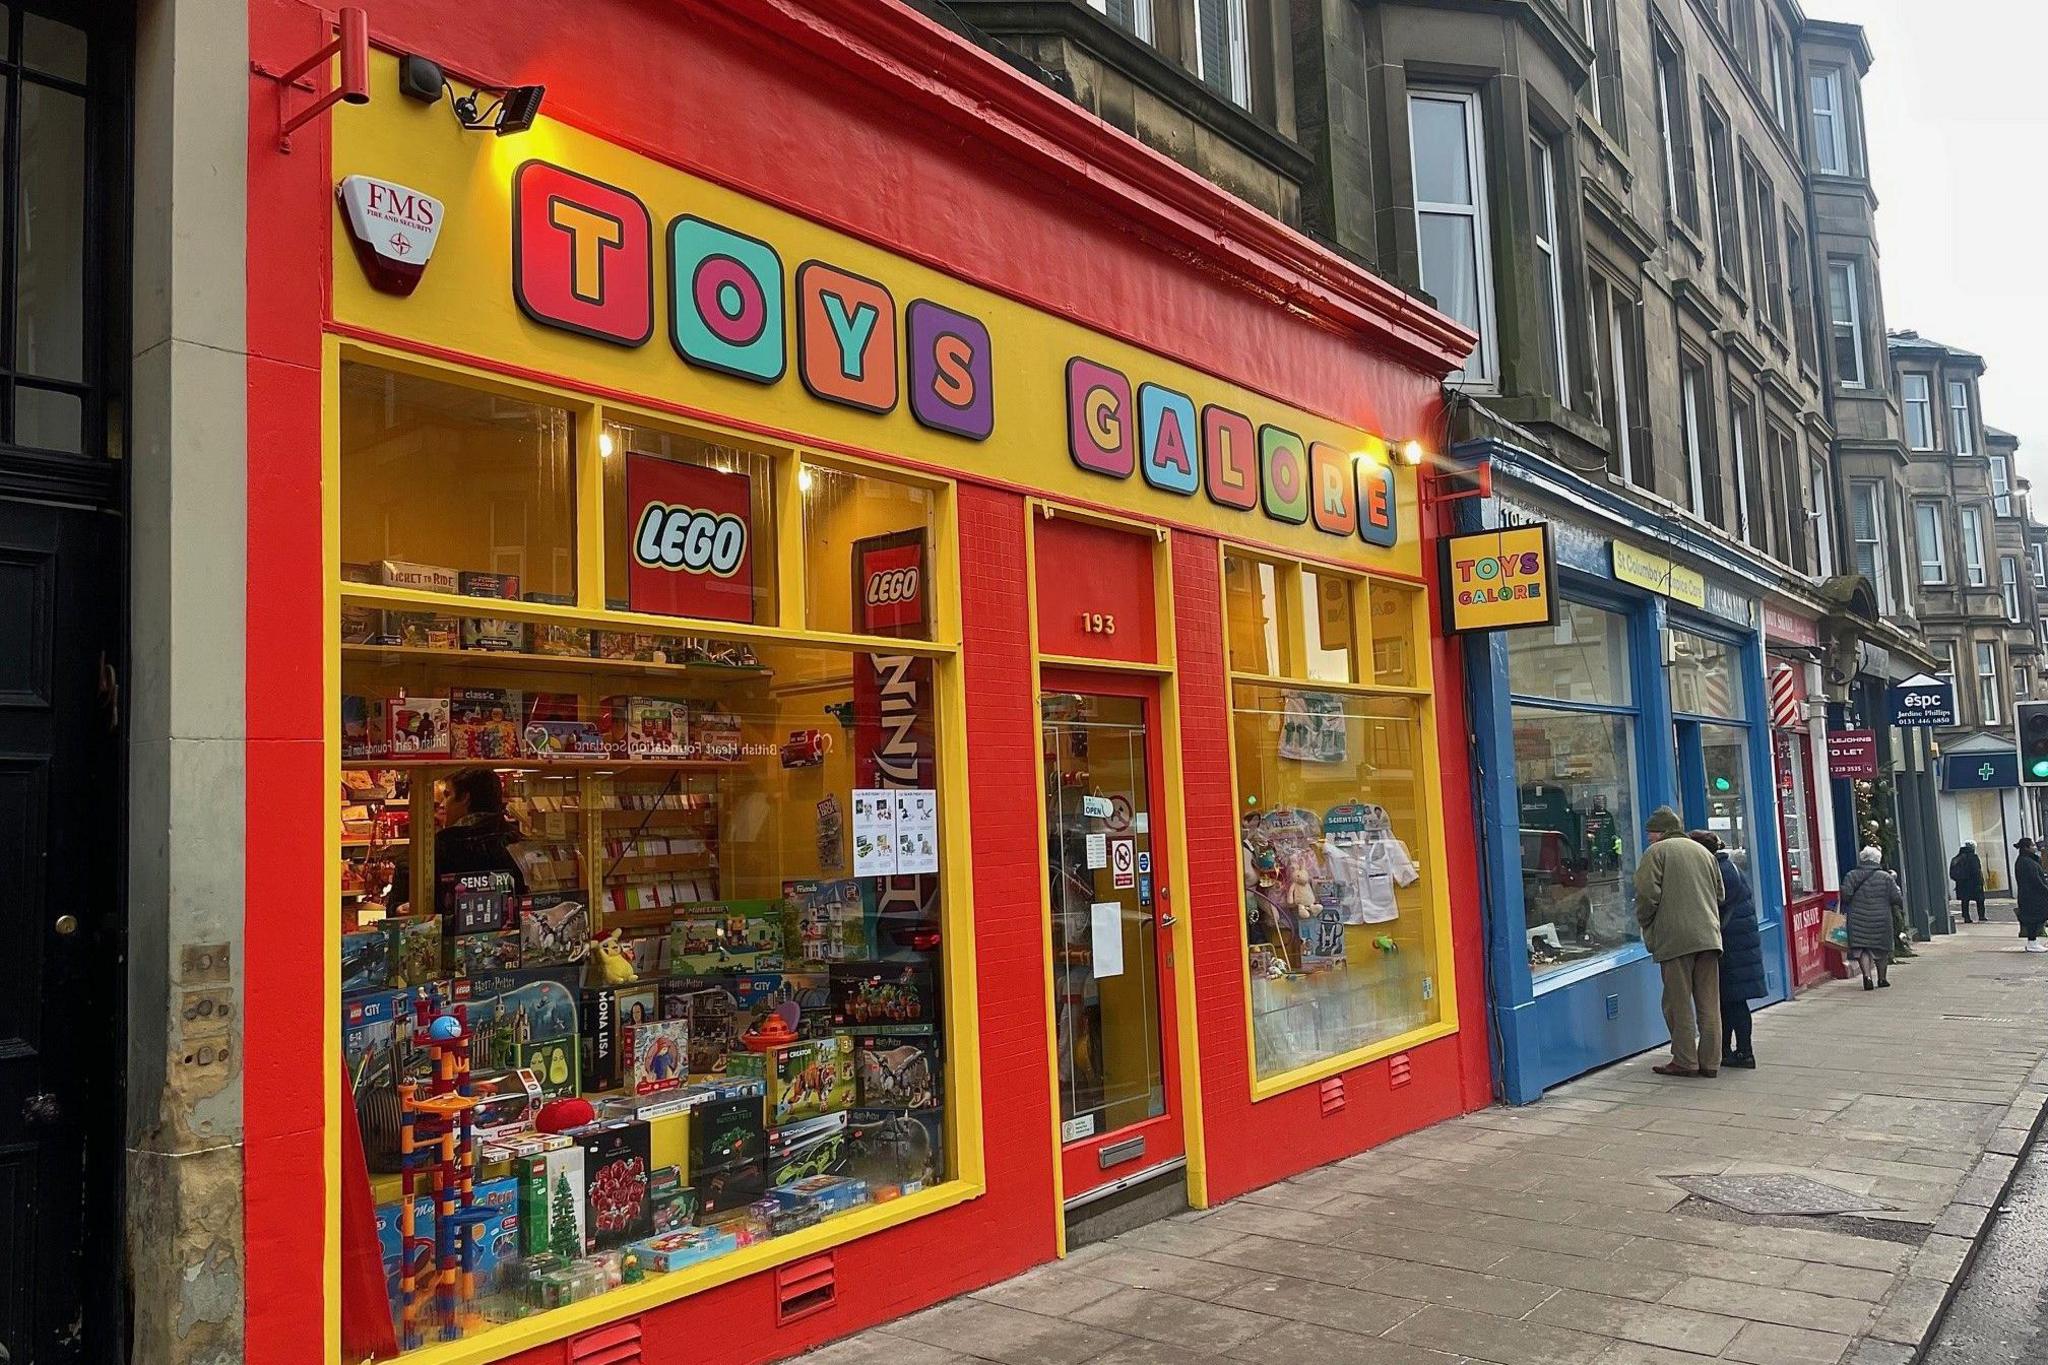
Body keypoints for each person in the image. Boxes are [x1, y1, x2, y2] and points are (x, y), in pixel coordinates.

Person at [1635, 806, 1725, 1078]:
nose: (1649, 839)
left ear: (1660, 832)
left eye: (1651, 834)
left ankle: (1685, 1060)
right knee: (1709, 1002)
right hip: (1708, 936)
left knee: (1678, 1002)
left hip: (1675, 938)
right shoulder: (1703, 852)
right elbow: (1720, 894)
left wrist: (1646, 922)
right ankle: (1711, 1062)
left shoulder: (1657, 853)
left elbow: (1646, 895)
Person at [387, 767, 528, 910]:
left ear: (465, 798)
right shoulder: (519, 843)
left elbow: (401, 912)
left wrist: (397, 909)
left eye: (447, 795)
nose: (443, 804)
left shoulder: (434, 848)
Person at [1694, 832, 1762, 1069]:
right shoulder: (1728, 866)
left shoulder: (1718, 872)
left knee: (1730, 1002)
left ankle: (1741, 1051)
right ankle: (1736, 1050)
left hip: (1731, 946)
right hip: (1741, 945)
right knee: (1732, 1001)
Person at [1841, 846, 1903, 988]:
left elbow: (1846, 895)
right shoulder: (1886, 877)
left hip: (1857, 918)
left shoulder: (1851, 875)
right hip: (1881, 919)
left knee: (1863, 948)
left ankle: (1867, 977)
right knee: (1881, 949)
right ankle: (1882, 979)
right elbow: (1896, 898)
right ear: (1877, 860)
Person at [2016, 837, 2048, 952]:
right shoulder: (2026, 862)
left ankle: (2033, 942)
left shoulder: (2028, 860)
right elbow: (2036, 881)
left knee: (2035, 919)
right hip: (2032, 897)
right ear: (2026, 848)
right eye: (2033, 845)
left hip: (2033, 897)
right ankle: (2032, 943)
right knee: (2033, 919)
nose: (2035, 847)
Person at [1951, 842, 1987, 924]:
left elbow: (1952, 872)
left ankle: (1966, 917)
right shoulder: (1973, 857)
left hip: (1962, 883)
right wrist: (1980, 882)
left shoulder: (1957, 858)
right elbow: (1976, 871)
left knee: (1965, 901)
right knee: (1980, 900)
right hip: (1974, 883)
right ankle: (1981, 916)